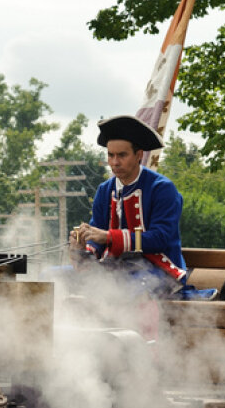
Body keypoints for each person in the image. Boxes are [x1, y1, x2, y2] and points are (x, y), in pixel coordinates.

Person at [70, 114, 185, 293]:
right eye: (110, 155)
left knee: (124, 291)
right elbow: (97, 236)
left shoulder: (162, 189)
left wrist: (109, 237)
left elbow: (160, 239)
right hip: (112, 270)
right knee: (50, 277)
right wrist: (82, 244)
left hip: (157, 271)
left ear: (139, 155)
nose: (115, 162)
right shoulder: (104, 190)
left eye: (122, 155)